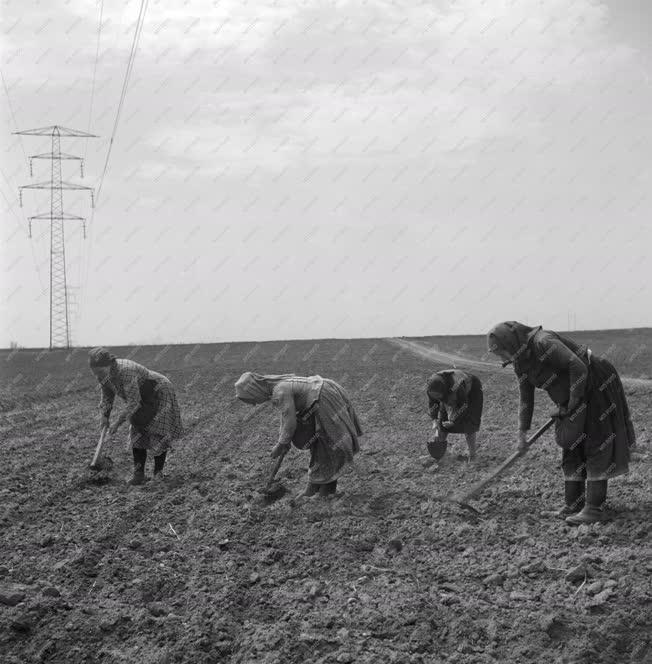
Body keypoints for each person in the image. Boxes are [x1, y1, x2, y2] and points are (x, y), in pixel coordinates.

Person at [487, 321, 636, 524]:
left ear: (511, 343)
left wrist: (572, 403)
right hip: (569, 399)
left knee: (596, 443)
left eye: (503, 352)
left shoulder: (543, 342)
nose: (504, 358)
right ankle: (573, 504)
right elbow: (526, 399)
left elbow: (578, 366)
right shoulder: (521, 362)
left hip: (594, 386)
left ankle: (594, 509)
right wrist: (522, 433)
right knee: (572, 443)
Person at [234, 372, 363, 497]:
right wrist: (283, 440)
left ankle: (327, 490)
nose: (254, 404)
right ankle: (314, 487)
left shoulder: (280, 391)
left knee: (330, 444)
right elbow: (285, 417)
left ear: (254, 390)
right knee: (319, 445)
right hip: (320, 395)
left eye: (251, 400)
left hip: (323, 397)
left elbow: (290, 422)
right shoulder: (278, 390)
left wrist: (281, 443)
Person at [88, 347, 183, 485]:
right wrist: (105, 416)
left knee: (157, 432)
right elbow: (107, 397)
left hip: (158, 391)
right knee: (137, 433)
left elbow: (133, 402)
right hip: (140, 397)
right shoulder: (102, 375)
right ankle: (139, 475)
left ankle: (158, 475)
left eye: (101, 372)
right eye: (95, 373)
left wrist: (117, 423)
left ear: (110, 364)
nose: (99, 376)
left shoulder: (125, 371)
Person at [426, 370, 483, 461]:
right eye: (434, 396)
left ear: (443, 391)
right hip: (449, 394)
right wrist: (434, 420)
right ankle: (440, 453)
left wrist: (453, 421)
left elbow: (463, 405)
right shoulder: (432, 388)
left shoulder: (456, 386)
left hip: (472, 390)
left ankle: (472, 456)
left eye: (438, 396)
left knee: (469, 423)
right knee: (442, 423)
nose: (436, 398)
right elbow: (433, 403)